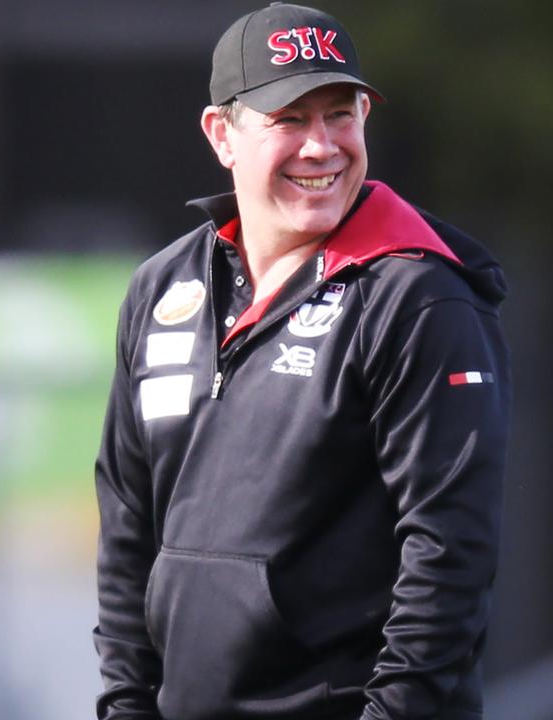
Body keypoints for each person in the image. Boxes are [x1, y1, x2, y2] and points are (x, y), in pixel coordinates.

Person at [92, 4, 509, 719]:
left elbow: (447, 561)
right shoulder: (163, 289)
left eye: (340, 115)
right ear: (222, 134)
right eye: (289, 119)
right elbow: (128, 537)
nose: (322, 147)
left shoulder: (418, 297)